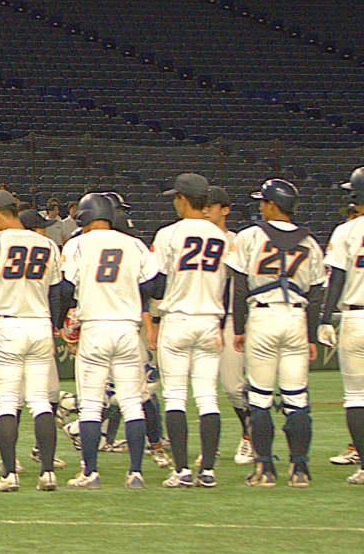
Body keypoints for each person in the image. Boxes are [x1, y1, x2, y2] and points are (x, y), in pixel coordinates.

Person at [58, 193, 164, 490]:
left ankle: (90, 473)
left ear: (83, 216)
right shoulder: (133, 243)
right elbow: (154, 286)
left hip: (95, 328)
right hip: (128, 329)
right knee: (132, 403)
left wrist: (62, 322)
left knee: (91, 406)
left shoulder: (77, 244)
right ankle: (135, 473)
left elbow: (66, 289)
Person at [229, 179, 326, 487]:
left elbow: (240, 285)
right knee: (297, 399)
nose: (260, 206)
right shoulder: (309, 241)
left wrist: (239, 328)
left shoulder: (250, 236)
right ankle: (300, 470)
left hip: (263, 316)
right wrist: (310, 336)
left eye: (263, 201)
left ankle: (265, 468)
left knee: (259, 398)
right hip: (296, 317)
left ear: (272, 205)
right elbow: (316, 294)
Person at [0, 189, 65, 492]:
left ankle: (10, 474)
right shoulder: (47, 243)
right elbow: (56, 293)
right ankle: (48, 472)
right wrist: (53, 325)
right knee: (40, 401)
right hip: (39, 323)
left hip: (8, 324)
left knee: (7, 403)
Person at [149, 174, 230, 489]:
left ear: (183, 199)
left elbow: (158, 283)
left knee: (175, 397)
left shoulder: (169, 233)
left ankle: (182, 470)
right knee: (208, 397)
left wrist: (154, 312)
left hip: (179, 319)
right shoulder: (223, 237)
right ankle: (207, 470)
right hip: (210, 320)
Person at [322, 167, 364, 483]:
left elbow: (336, 278)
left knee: (356, 397)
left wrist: (324, 319)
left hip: (355, 316)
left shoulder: (346, 230)